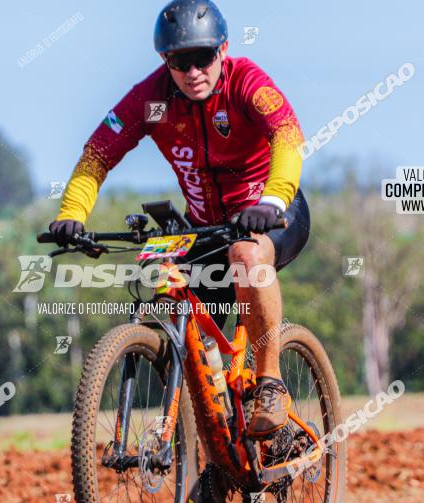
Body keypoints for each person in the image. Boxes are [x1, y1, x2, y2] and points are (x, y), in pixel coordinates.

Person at [48, 0, 309, 437]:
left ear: (222, 50)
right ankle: (211, 462)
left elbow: (287, 135)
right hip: (206, 226)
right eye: (179, 61)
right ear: (164, 61)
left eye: (202, 58)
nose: (192, 72)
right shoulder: (151, 100)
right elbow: (97, 154)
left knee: (246, 254)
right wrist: (72, 213)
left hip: (271, 217)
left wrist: (272, 200)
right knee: (168, 299)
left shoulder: (245, 81)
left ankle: (270, 383)